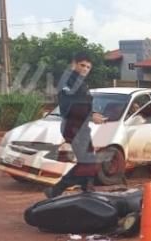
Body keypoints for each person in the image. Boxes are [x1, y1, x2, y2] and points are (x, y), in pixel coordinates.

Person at [45, 52, 107, 198]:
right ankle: (56, 190)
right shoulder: (68, 82)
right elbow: (70, 106)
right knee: (87, 161)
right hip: (72, 126)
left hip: (82, 126)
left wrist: (93, 115)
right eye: (82, 65)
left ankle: (87, 190)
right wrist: (91, 116)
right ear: (74, 64)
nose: (85, 69)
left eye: (88, 67)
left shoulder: (81, 83)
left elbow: (84, 104)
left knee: (89, 159)